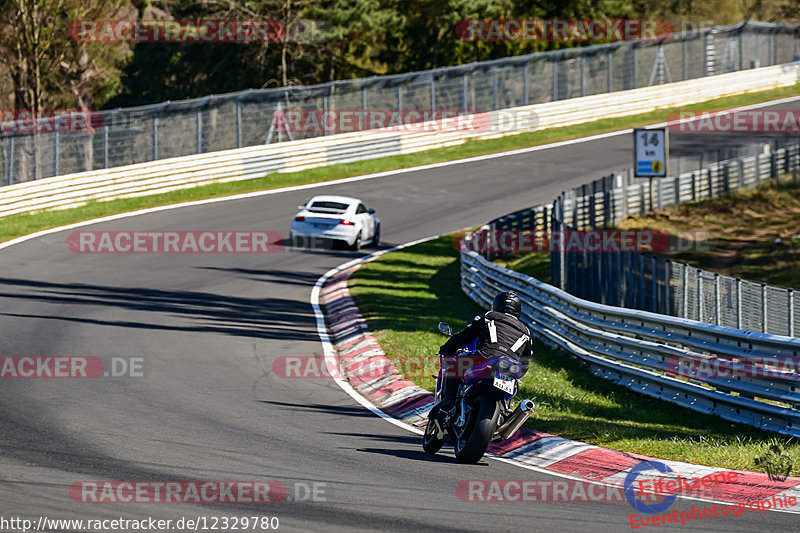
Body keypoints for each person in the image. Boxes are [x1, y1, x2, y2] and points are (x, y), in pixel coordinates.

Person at [430, 291, 533, 422]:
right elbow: (525, 363)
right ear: (518, 310)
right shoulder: (526, 331)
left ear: (496, 305)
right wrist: (518, 374)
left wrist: (446, 349)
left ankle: (446, 404)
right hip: (512, 366)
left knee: (454, 366)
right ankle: (506, 411)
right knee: (514, 381)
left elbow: (465, 335)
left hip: (486, 358)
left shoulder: (489, 316)